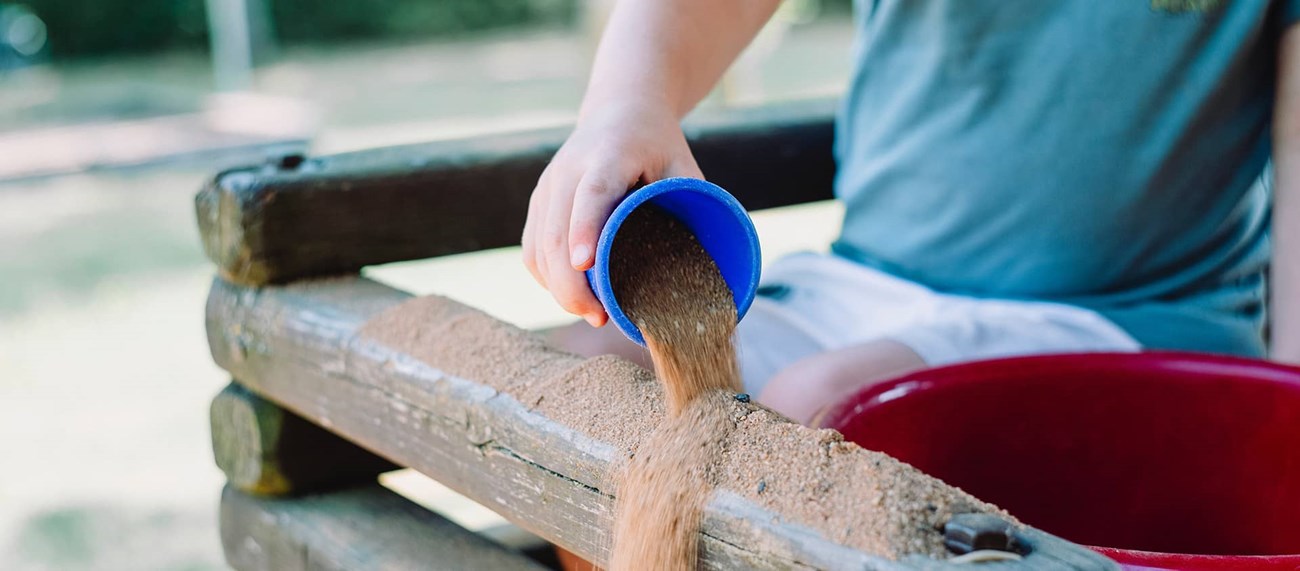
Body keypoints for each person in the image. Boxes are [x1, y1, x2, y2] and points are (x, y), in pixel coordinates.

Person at [522, 0, 1300, 425]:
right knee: (592, 378)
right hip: (866, 282)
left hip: (1123, 314)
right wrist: (628, 102)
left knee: (823, 406)